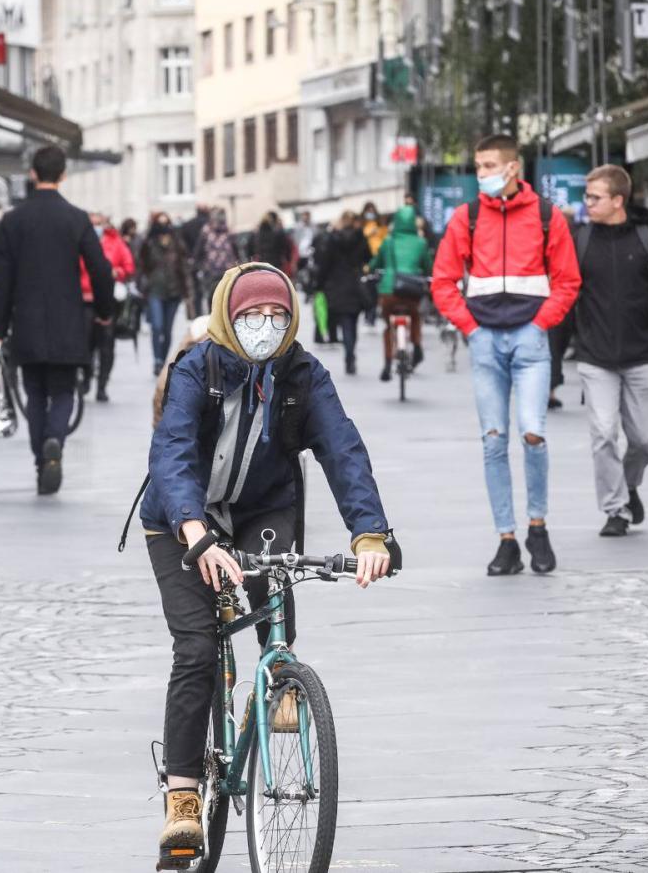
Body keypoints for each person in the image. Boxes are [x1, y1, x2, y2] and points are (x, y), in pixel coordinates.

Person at [139, 263, 395, 858]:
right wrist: (196, 533)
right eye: (252, 315)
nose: (265, 326)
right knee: (198, 648)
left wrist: (371, 534)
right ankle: (182, 799)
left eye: (277, 315)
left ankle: (279, 679)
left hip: (261, 507)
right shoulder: (196, 368)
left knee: (277, 583)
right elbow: (171, 451)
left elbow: (343, 449)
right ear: (229, 316)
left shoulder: (304, 374)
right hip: (181, 518)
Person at [431, 134, 580, 576]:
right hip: (485, 341)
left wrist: (539, 324)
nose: (482, 175)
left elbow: (568, 280)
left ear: (513, 168)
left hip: (530, 340)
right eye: (478, 167)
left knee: (533, 432)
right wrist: (471, 329)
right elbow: (442, 281)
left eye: (489, 165)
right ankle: (507, 539)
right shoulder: (467, 217)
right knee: (494, 439)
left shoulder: (547, 216)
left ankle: (538, 526)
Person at [571, 165, 648, 537]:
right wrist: (554, 363)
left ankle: (629, 483)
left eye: (595, 197)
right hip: (595, 358)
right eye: (586, 196)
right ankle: (616, 509)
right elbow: (564, 297)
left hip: (640, 357)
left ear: (618, 200)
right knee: (604, 434)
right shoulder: (580, 241)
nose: (587, 203)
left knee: (644, 439)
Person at [0, 146, 115, 494]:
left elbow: (3, 280)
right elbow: (101, 271)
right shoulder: (77, 219)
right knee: (62, 391)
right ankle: (55, 443)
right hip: (68, 320)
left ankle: (40, 460)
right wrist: (105, 312)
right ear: (63, 175)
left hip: (25, 320)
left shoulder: (13, 221)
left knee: (34, 391)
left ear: (33, 173)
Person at [370, 205, 432, 380]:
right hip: (412, 290)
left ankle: (388, 364)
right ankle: (417, 346)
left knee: (388, 325)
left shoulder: (388, 241)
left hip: (389, 290)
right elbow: (428, 266)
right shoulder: (421, 242)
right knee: (415, 316)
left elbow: (376, 263)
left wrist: (370, 269)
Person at [84, 212, 135, 403]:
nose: (97, 228)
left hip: (109, 298)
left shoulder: (116, 242)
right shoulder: (81, 240)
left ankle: (102, 385)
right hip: (86, 297)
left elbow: (129, 266)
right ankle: (86, 376)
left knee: (106, 344)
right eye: (93, 224)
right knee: (86, 342)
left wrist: (116, 272)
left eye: (100, 224)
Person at [315, 211, 372, 375]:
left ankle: (348, 355)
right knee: (352, 322)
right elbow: (368, 257)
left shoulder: (333, 239)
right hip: (355, 283)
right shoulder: (360, 238)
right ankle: (350, 353)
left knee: (344, 322)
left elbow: (324, 263)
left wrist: (318, 285)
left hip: (336, 284)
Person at [139, 212, 193, 375]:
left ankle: (162, 359)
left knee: (167, 329)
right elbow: (142, 263)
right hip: (155, 289)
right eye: (160, 223)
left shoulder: (177, 243)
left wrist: (188, 292)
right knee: (157, 326)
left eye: (166, 223)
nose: (163, 228)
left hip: (174, 291)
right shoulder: (149, 243)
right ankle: (156, 359)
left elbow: (184, 267)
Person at [191, 210, 242, 319]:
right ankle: (215, 322)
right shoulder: (207, 231)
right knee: (214, 297)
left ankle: (222, 320)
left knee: (225, 297)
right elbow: (198, 251)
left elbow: (236, 250)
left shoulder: (228, 231)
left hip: (226, 271)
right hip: (213, 271)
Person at [251, 210, 294, 276]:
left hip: (262, 265)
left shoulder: (257, 234)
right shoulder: (279, 233)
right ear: (275, 220)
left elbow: (252, 250)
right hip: (277, 266)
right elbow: (287, 249)